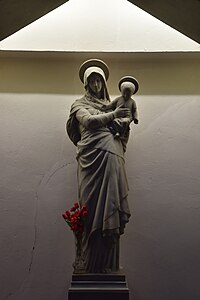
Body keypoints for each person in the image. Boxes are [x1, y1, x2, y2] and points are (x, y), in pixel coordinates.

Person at [66, 59, 131, 274]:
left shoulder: (114, 104)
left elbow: (123, 134)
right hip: (90, 160)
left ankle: (108, 265)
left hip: (112, 155)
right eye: (92, 82)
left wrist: (123, 125)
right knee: (91, 209)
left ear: (104, 84)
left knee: (111, 204)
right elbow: (89, 122)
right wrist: (114, 116)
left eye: (99, 82)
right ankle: (89, 264)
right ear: (86, 84)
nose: (96, 86)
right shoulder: (79, 105)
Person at [102, 76, 139, 151]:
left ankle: (122, 134)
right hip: (118, 117)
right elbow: (112, 104)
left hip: (127, 117)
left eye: (128, 93)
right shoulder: (119, 99)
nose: (126, 95)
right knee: (115, 121)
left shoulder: (132, 102)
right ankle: (117, 132)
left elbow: (135, 110)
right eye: (124, 92)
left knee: (125, 122)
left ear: (131, 93)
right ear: (122, 91)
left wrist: (136, 118)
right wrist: (105, 107)